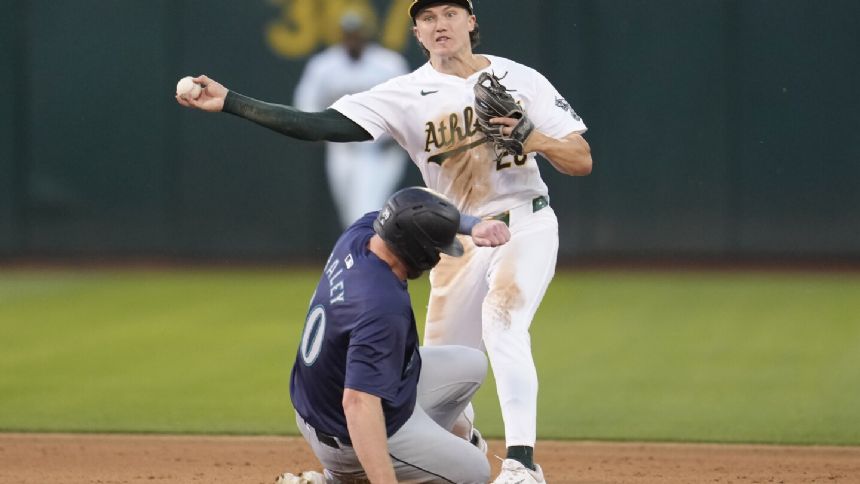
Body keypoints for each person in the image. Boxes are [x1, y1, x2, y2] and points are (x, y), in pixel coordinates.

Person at [176, 1, 592, 481]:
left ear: (471, 22)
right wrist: (232, 101)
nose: (440, 25)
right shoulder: (406, 93)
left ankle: (522, 464)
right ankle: (388, 467)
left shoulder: (522, 78)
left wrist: (532, 136)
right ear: (416, 32)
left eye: (450, 14)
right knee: (428, 372)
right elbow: (318, 125)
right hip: (460, 237)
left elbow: (580, 159)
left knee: (503, 320)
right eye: (428, 18)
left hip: (526, 221)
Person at [276, 186, 510, 484]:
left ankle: (417, 452)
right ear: (419, 253)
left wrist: (472, 224)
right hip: (345, 433)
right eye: (438, 248)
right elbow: (359, 404)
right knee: (475, 472)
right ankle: (339, 478)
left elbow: (407, 211)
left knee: (472, 365)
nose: (440, 254)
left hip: (320, 401)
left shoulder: (360, 235)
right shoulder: (382, 305)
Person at [293, 11, 410, 228]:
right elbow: (306, 102)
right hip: (342, 148)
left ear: (366, 34)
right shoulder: (324, 65)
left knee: (366, 210)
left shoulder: (388, 63)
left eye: (357, 33)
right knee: (350, 214)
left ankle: (372, 258)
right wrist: (314, 127)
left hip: (379, 149)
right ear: (342, 35)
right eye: (349, 34)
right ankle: (369, 256)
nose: (353, 38)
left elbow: (407, 104)